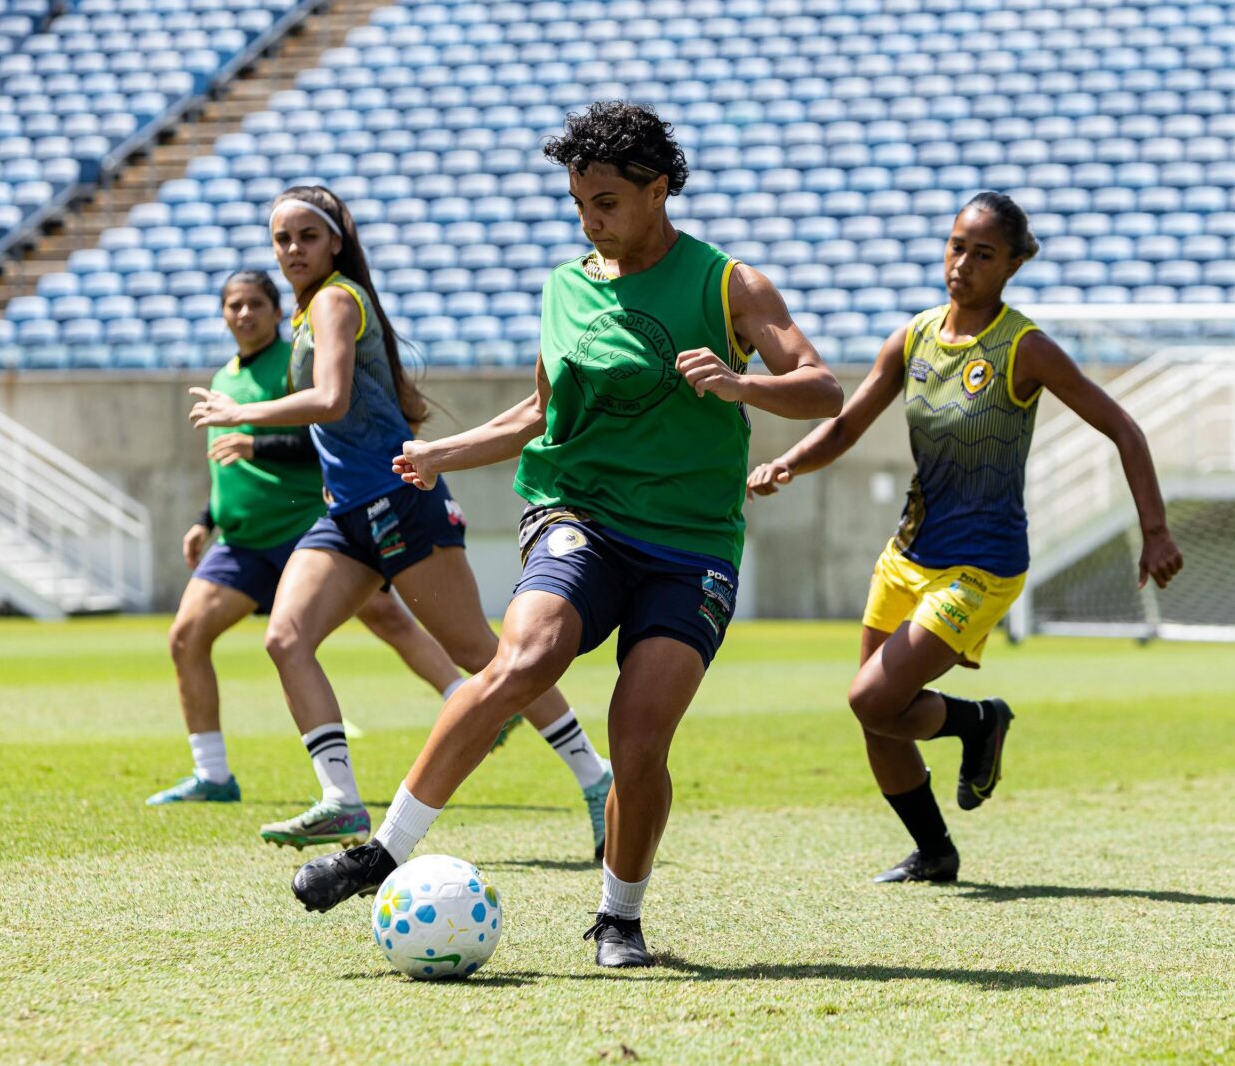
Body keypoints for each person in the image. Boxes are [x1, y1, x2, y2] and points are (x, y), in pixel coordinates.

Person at [288, 102, 844, 969]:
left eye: (609, 201)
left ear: (659, 190)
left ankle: (619, 917)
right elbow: (544, 413)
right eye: (580, 202)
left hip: (693, 543)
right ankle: (384, 849)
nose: (591, 219)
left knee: (640, 732)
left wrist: (744, 387)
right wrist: (446, 451)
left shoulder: (729, 284)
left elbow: (821, 388)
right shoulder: (565, 286)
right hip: (579, 514)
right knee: (524, 657)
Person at [746, 192, 1183, 884]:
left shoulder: (1024, 347)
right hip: (907, 555)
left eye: (983, 253)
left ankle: (980, 722)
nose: (963, 264)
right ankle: (935, 851)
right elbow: (846, 426)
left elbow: (1123, 428)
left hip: (981, 567)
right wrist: (788, 463)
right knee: (877, 716)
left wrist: (1154, 530)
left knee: (870, 697)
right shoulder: (913, 337)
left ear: (1012, 263)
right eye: (957, 246)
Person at [187, 187, 612, 855]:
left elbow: (331, 399)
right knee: (285, 637)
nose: (292, 249)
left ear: (335, 242)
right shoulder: (311, 312)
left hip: (399, 501)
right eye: (281, 239)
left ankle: (597, 780)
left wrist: (238, 412)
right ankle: (341, 802)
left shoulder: (334, 299)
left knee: (481, 651)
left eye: (306, 236)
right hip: (348, 514)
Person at [147, 270, 467, 808]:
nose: (244, 314)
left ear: (277, 313)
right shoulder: (224, 379)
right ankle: (213, 775)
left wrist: (258, 444)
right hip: (244, 540)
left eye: (254, 304)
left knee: (392, 619)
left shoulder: (297, 359)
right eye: (233, 305)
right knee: (186, 636)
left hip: (307, 528)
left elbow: (322, 431)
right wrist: (207, 516)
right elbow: (228, 463)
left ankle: (465, 699)